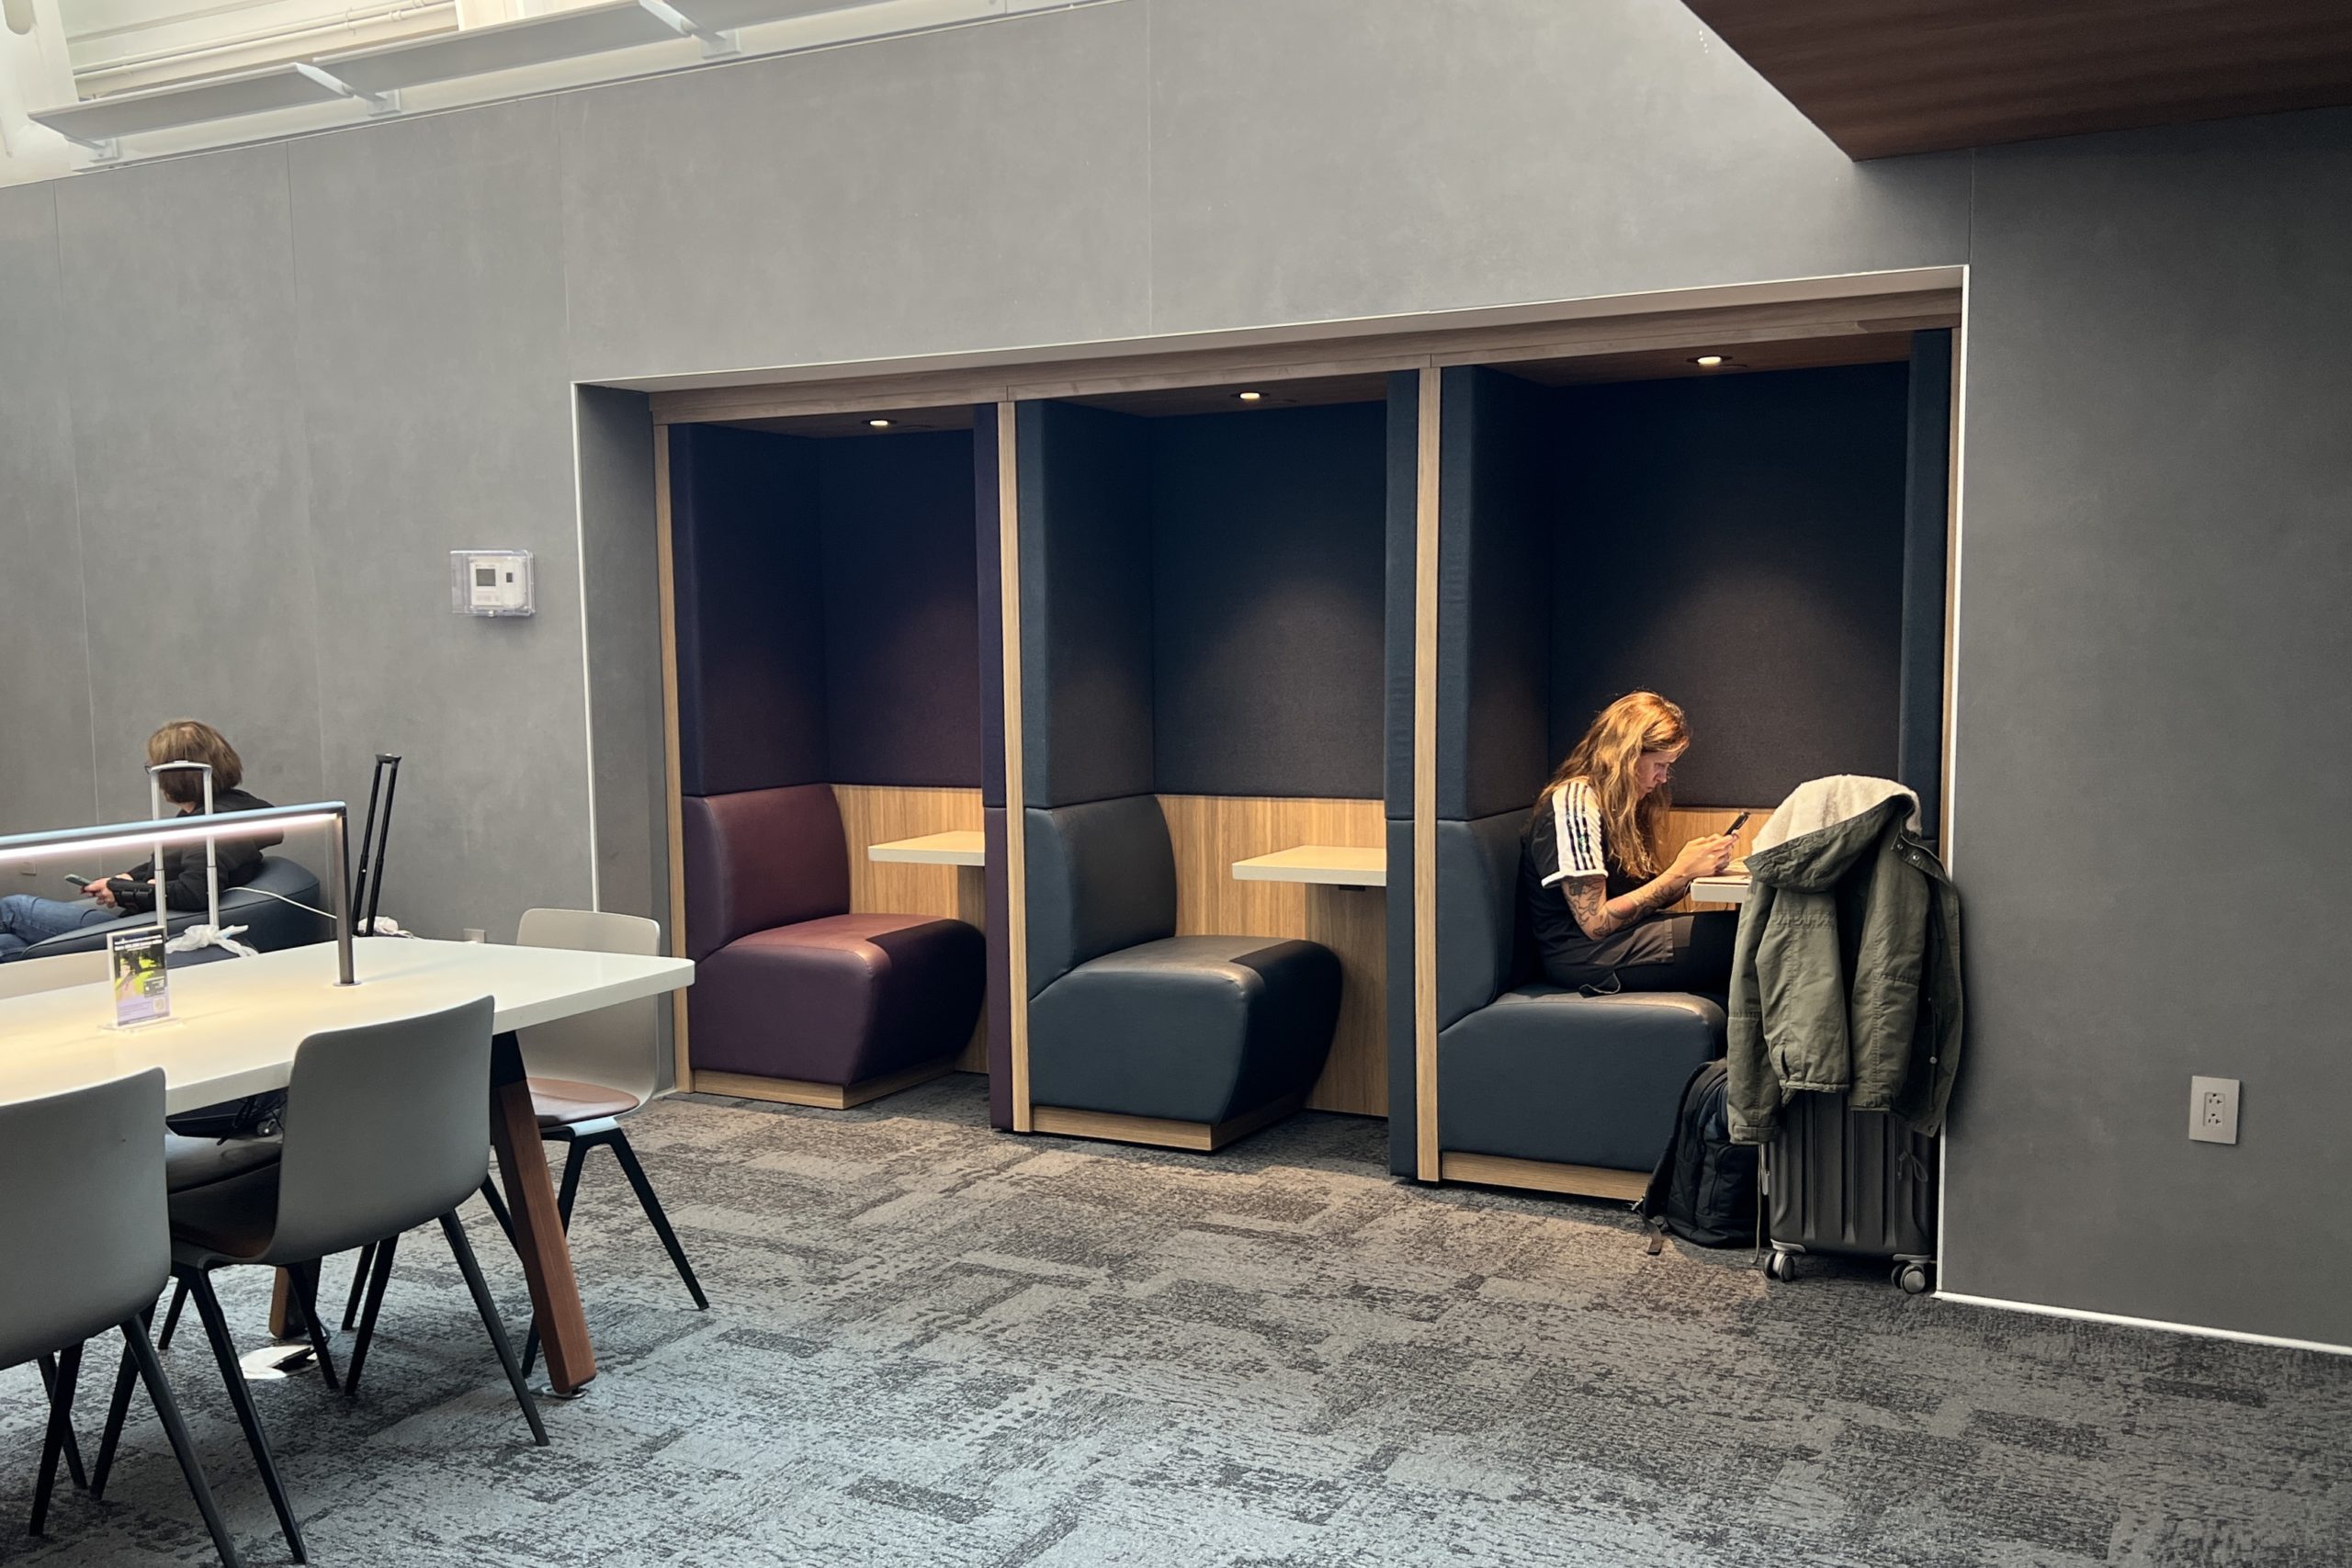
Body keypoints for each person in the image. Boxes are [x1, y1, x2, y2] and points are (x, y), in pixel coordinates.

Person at [0, 720, 278, 959]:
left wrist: (120, 890)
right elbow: (175, 862)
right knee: (7, 945)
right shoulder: (231, 808)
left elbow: (195, 893)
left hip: (142, 931)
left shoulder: (206, 824)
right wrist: (130, 878)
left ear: (173, 774)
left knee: (13, 908)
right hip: (141, 918)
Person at [1520, 691, 1738, 995]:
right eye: (1659, 764)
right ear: (1627, 757)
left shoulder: (1616, 805)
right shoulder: (1576, 806)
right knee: (1747, 935)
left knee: (1753, 928)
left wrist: (1693, 872)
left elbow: (1637, 897)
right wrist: (1680, 873)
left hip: (1616, 941)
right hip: (1583, 954)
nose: (1663, 778)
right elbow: (1595, 923)